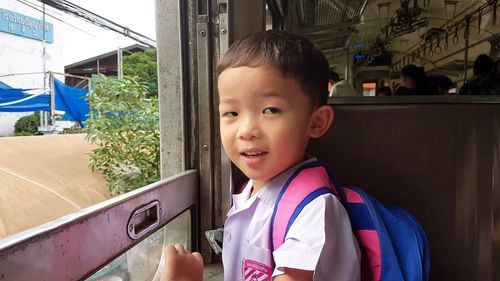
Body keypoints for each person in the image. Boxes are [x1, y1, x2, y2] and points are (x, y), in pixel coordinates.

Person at [162, 30, 361, 281]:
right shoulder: (252, 191)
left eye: (270, 110)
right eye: (231, 113)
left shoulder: (313, 211)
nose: (246, 131)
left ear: (316, 122)